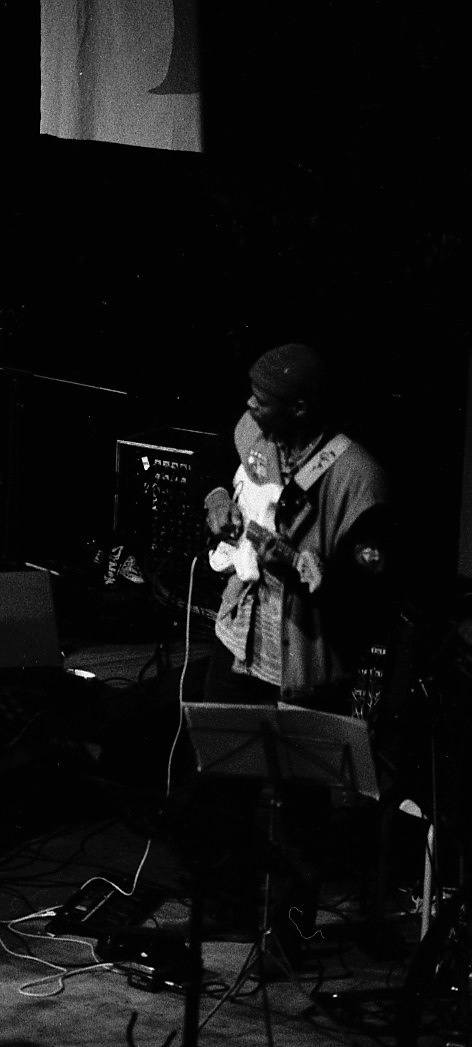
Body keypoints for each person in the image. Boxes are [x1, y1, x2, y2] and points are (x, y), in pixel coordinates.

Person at [197, 341, 392, 961]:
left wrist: (305, 570)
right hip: (239, 639)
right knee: (220, 783)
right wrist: (217, 499)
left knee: (302, 808)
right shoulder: (255, 432)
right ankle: (228, 911)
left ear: (301, 408)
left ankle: (292, 931)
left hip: (304, 660)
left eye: (264, 400)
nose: (250, 406)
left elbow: (369, 596)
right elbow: (222, 469)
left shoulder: (358, 476)